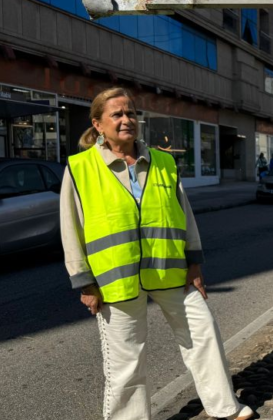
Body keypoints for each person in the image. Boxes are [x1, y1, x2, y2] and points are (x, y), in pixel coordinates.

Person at [60, 87, 253, 420]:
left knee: (203, 333)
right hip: (115, 280)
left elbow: (185, 218)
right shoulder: (80, 168)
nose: (126, 120)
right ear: (98, 124)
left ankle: (224, 407)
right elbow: (71, 228)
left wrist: (194, 265)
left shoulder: (164, 162)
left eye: (131, 113)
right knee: (126, 363)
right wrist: (85, 283)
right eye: (117, 114)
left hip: (172, 271)